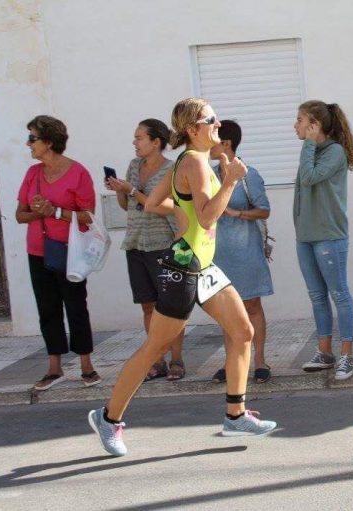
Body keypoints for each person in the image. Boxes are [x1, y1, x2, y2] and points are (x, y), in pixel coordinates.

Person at [88, 98, 277, 457]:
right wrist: (230, 182)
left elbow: (153, 203)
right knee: (155, 347)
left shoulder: (186, 163)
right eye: (212, 120)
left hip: (202, 265)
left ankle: (235, 414)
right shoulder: (195, 163)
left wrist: (184, 209)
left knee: (242, 331)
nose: (218, 125)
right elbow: (208, 219)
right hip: (184, 266)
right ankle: (108, 418)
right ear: (193, 129)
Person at [16, 115, 101, 390]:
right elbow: (19, 215)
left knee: (76, 306)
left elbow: (88, 216)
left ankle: (86, 365)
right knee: (47, 308)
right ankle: (54, 367)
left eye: (33, 138)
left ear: (49, 142)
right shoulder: (32, 174)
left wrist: (55, 211)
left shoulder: (78, 173)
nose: (28, 144)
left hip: (70, 251)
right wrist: (37, 212)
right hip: (37, 251)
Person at [105, 119, 186, 381]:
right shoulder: (133, 166)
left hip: (162, 244)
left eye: (139, 137)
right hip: (135, 243)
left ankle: (177, 359)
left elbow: (168, 208)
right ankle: (156, 359)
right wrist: (120, 190)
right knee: (148, 307)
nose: (134, 142)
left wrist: (133, 191)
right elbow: (127, 205)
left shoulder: (172, 170)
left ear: (156, 142)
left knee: (170, 307)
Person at [293, 100, 353, 381]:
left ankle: (347, 355)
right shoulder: (311, 150)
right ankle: (325, 353)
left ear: (315, 125)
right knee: (317, 296)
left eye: (300, 120)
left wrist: (308, 144)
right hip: (306, 236)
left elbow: (309, 178)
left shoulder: (334, 153)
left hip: (329, 236)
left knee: (339, 293)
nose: (294, 125)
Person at [209, 120, 274, 384]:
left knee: (252, 306)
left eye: (214, 139)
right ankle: (232, 362)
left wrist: (235, 213)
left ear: (226, 144)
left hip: (246, 251)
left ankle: (259, 361)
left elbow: (264, 210)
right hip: (218, 253)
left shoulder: (249, 174)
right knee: (227, 311)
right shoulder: (209, 175)